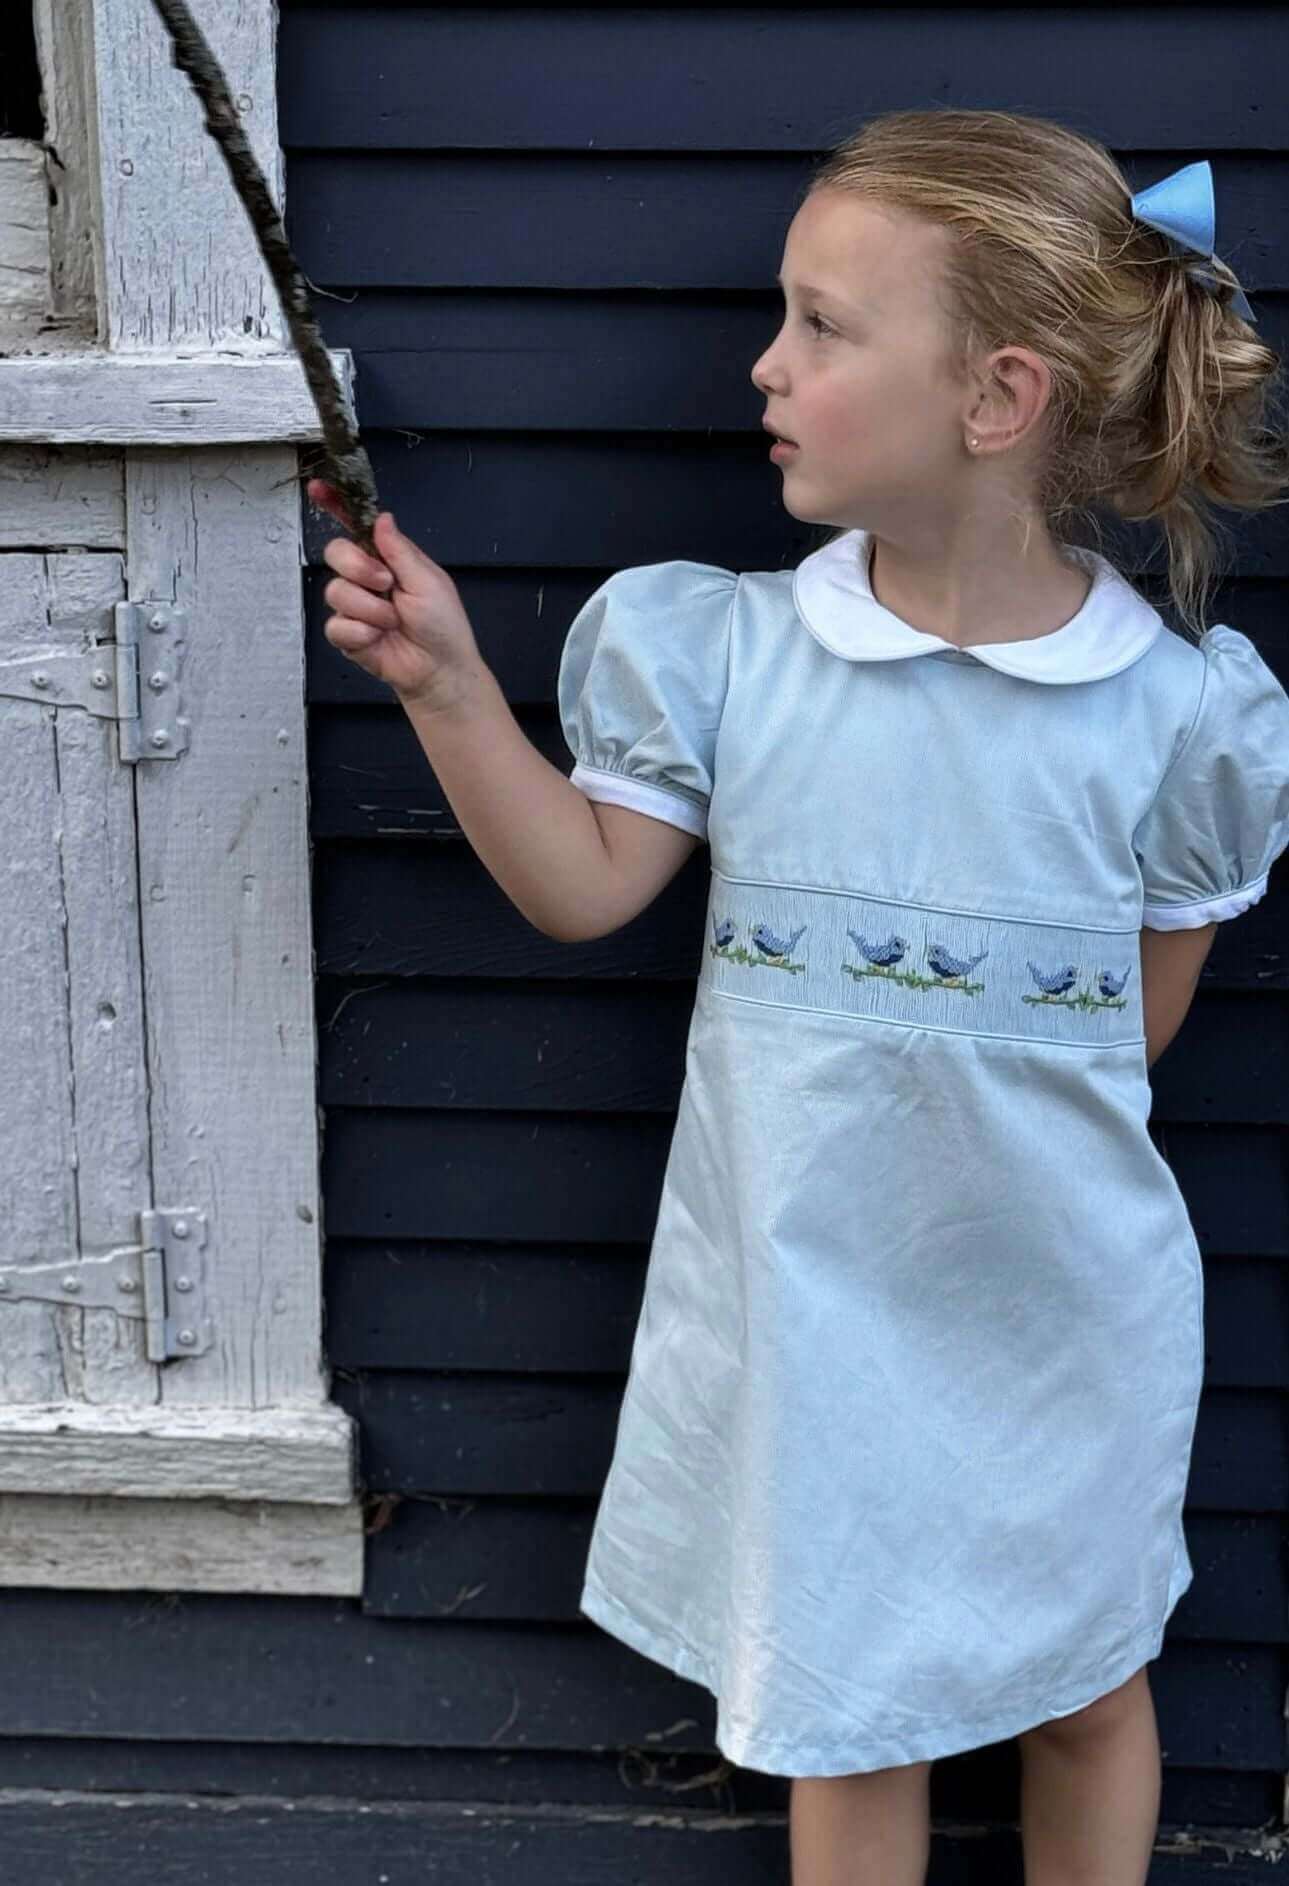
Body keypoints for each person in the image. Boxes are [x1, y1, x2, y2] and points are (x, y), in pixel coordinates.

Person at [308, 106, 1289, 1886]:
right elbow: (585, 882)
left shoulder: (1174, 719)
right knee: (850, 1708)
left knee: (1088, 1687)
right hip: (816, 1320)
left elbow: (1123, 1033)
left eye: (822, 326)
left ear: (994, 399)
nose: (764, 363)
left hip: (1064, 1324)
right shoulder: (734, 654)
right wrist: (448, 686)